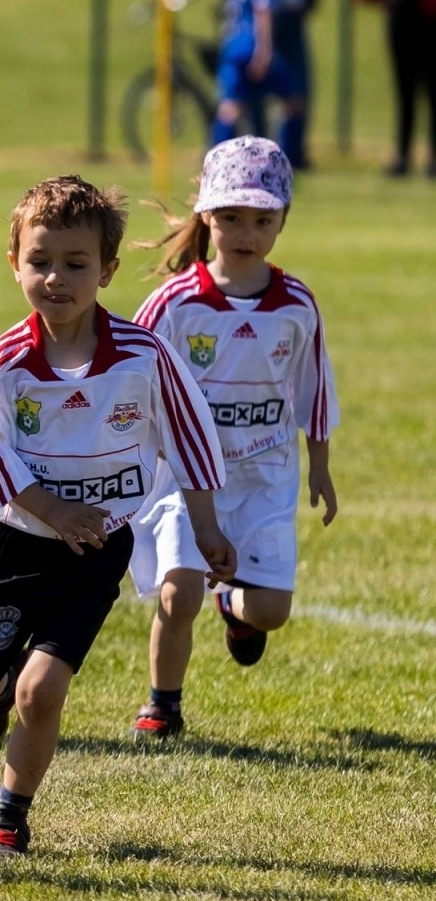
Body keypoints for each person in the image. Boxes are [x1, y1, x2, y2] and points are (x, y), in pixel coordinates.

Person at [0, 175, 234, 861]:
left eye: (75, 264)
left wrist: (209, 530)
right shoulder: (6, 365)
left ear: (106, 270)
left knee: (42, 693)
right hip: (12, 544)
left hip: (96, 548)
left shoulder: (144, 357)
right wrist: (55, 509)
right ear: (14, 263)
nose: (55, 278)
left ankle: (8, 818)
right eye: (39, 261)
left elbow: (189, 440)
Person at [126, 137, 338, 740]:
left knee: (270, 611)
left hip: (264, 477)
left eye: (262, 220)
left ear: (282, 222)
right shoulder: (175, 302)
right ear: (206, 218)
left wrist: (319, 467)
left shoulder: (296, 305)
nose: (246, 232)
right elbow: (131, 373)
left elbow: (313, 390)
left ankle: (234, 608)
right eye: (231, 218)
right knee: (178, 592)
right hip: (188, 479)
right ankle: (163, 704)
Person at [213, 0, 306, 165]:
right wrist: (264, 51)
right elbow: (262, 8)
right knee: (293, 101)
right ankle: (289, 160)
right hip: (253, 45)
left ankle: (217, 160)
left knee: (230, 107)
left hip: (234, 43)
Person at [354, 0, 436, 177]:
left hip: (430, 11)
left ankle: (431, 157)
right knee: (404, 90)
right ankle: (402, 154)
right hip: (402, 8)